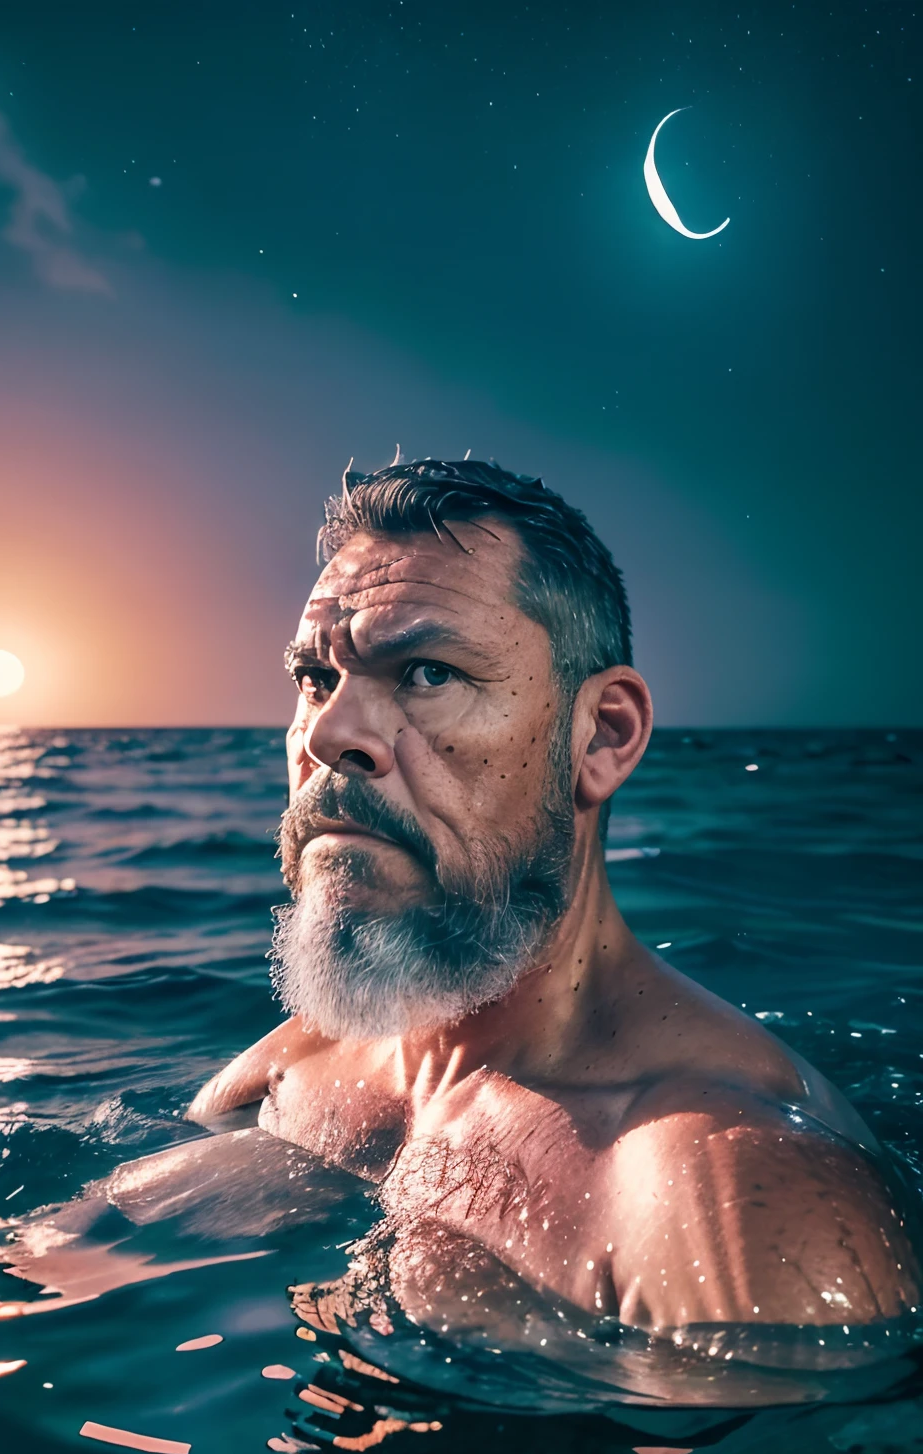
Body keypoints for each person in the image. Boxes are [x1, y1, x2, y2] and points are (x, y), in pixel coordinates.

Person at [184, 456, 921, 1333]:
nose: (332, 733)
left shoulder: (729, 1201)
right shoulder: (289, 1071)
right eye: (316, 680)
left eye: (427, 673)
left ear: (603, 736)